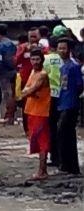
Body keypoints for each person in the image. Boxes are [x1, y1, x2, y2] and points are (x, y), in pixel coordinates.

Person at [20, 48, 51, 180]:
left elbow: (28, 90)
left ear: (42, 60)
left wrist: (28, 92)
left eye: (37, 59)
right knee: (35, 140)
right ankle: (41, 170)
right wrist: (27, 92)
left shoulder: (43, 74)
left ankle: (42, 171)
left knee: (42, 141)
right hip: (32, 110)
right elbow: (26, 90)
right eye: (33, 59)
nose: (35, 62)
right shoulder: (33, 72)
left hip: (41, 112)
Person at [57, 37, 83, 175]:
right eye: (59, 48)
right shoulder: (63, 66)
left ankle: (71, 166)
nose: (61, 51)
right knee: (64, 134)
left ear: (69, 50)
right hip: (63, 102)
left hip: (71, 103)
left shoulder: (74, 66)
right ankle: (66, 165)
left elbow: (79, 85)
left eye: (64, 48)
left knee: (65, 133)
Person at [45, 36, 63, 167]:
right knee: (61, 127)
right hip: (62, 95)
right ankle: (61, 156)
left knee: (51, 127)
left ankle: (54, 156)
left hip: (49, 96)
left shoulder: (46, 60)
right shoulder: (65, 60)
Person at [0, 23, 17, 124]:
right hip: (13, 71)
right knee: (12, 94)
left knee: (6, 94)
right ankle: (11, 116)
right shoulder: (11, 44)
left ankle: (6, 116)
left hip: (4, 72)